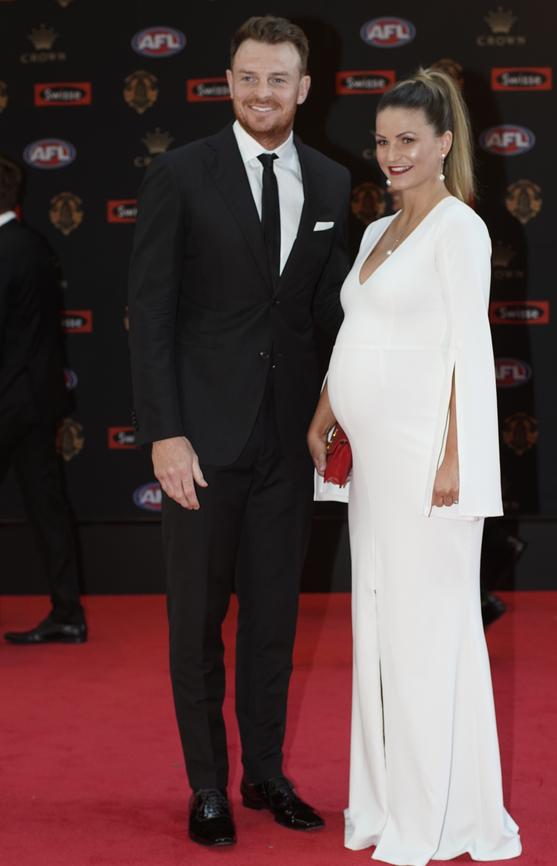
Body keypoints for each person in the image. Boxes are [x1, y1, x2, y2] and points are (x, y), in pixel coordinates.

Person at [128, 16, 350, 848]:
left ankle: (264, 774)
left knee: (273, 621)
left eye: (279, 80)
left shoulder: (331, 182)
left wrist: (346, 412)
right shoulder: (183, 174)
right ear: (229, 82)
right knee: (195, 622)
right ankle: (208, 786)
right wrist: (164, 433)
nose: (263, 94)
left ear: (304, 87)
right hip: (202, 444)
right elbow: (148, 314)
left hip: (288, 445)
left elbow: (330, 317)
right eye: (248, 78)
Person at [308, 70, 522, 863]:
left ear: (443, 144)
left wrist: (456, 458)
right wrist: (328, 407)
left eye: (407, 141)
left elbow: (471, 350)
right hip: (374, 472)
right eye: (382, 141)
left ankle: (437, 815)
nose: (391, 155)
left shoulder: (459, 229)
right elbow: (354, 336)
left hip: (426, 464)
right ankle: (388, 801)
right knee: (380, 628)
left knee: (429, 633)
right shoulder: (374, 233)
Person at [0, 156, 86, 645]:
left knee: (48, 507)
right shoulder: (32, 244)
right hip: (37, 404)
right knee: (48, 507)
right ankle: (68, 612)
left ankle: (68, 611)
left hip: (9, 404)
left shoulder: (5, 249)